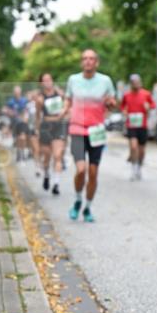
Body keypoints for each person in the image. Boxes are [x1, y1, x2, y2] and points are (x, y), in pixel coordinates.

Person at [64, 49, 117, 222]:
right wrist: (62, 113)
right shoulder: (73, 80)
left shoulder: (105, 81)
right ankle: (78, 200)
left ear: (97, 63)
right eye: (85, 58)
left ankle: (87, 207)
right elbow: (67, 101)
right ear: (81, 62)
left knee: (93, 173)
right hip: (77, 129)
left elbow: (112, 103)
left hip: (96, 131)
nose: (88, 61)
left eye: (91, 59)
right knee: (81, 170)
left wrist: (110, 103)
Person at [35, 72, 68, 196]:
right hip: (46, 127)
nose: (48, 82)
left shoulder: (60, 93)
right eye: (45, 80)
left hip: (59, 126)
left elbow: (67, 105)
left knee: (57, 155)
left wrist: (64, 113)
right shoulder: (40, 99)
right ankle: (47, 175)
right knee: (47, 157)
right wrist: (37, 130)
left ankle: (56, 184)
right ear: (41, 83)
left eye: (49, 79)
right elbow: (38, 116)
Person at [120, 74, 156, 181]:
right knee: (134, 146)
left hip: (142, 125)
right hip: (131, 125)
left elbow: (153, 105)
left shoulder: (146, 94)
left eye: (137, 82)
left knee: (142, 150)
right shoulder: (126, 95)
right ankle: (133, 168)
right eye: (133, 82)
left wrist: (148, 107)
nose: (135, 84)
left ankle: (139, 166)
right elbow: (122, 106)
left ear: (140, 82)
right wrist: (124, 111)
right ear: (131, 83)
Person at [5, 85, 31, 161]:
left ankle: (22, 152)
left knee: (23, 137)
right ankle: (19, 152)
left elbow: (27, 110)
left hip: (23, 122)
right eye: (15, 92)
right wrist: (9, 112)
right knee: (17, 139)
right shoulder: (11, 101)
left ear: (20, 92)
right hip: (14, 122)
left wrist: (25, 117)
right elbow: (6, 109)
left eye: (18, 92)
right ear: (14, 93)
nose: (17, 93)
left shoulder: (24, 100)